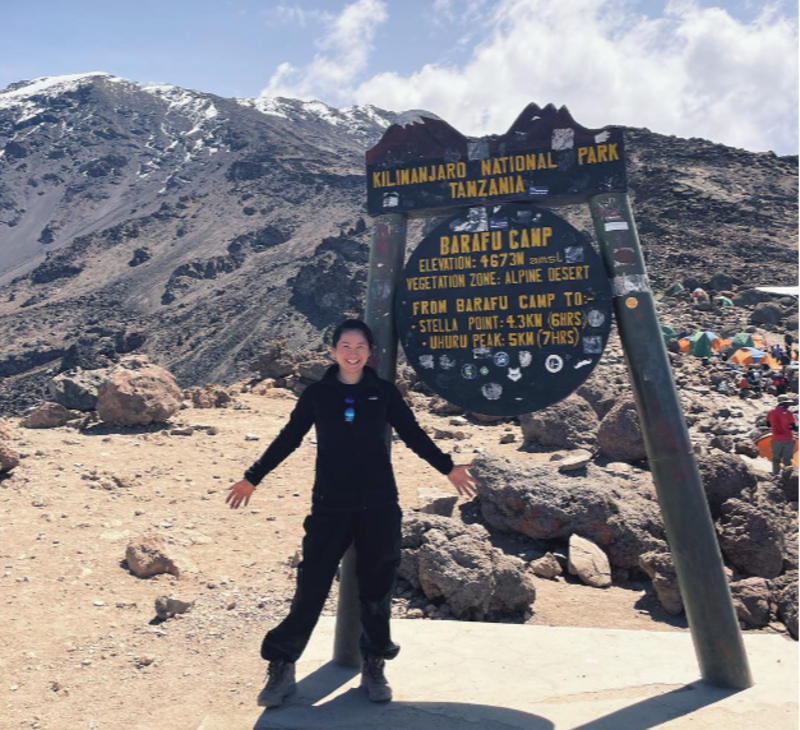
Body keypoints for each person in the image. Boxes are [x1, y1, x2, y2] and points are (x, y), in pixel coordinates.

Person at [225, 319, 479, 709]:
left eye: (360, 345)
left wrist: (447, 466)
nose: (352, 352)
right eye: (345, 345)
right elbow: (289, 437)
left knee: (376, 591)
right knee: (311, 588)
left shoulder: (383, 392)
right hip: (330, 506)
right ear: (332, 350)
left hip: (379, 505)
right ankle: (282, 665)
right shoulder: (317, 394)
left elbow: (413, 434)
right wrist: (252, 477)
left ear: (370, 352)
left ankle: (374, 664)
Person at [765, 395, 797, 476]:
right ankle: (788, 478)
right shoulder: (789, 413)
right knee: (787, 460)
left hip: (776, 439)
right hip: (788, 439)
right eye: (787, 404)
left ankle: (775, 475)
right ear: (784, 403)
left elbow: (768, 424)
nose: (789, 406)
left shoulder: (770, 412)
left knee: (775, 459)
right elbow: (793, 426)